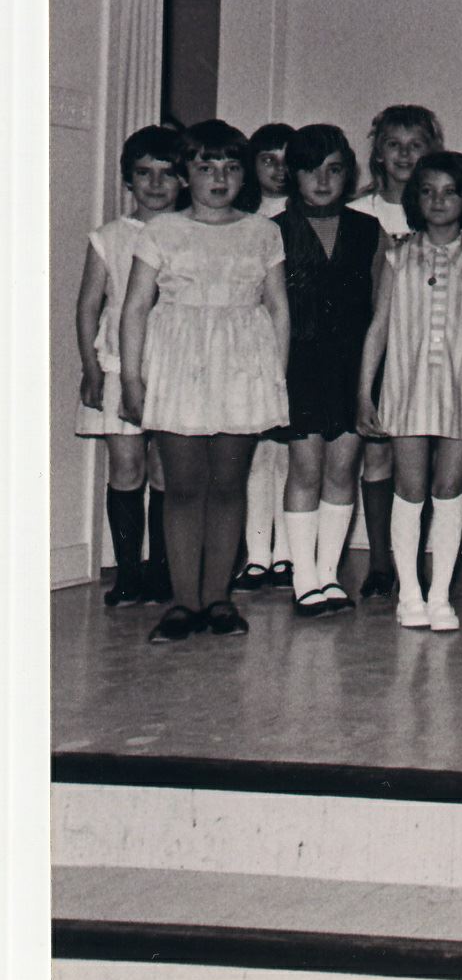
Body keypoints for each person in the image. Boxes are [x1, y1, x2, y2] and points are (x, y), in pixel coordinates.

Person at [117, 119, 290, 643]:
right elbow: (134, 308)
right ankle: (183, 601)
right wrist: (131, 377)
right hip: (179, 367)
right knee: (184, 486)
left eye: (232, 167)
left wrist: (273, 378)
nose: (219, 178)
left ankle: (218, 598)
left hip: (241, 368)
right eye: (205, 166)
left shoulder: (264, 232)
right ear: (185, 174)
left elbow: (279, 308)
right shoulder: (162, 231)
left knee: (229, 484)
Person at [355, 154, 462, 632]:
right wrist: (365, 392)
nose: (439, 201)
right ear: (415, 199)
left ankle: (441, 595)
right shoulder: (397, 257)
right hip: (407, 386)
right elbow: (377, 328)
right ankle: (410, 594)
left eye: (449, 192)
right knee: (410, 491)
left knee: (449, 491)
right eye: (428, 191)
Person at [273, 125, 381, 619]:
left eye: (334, 169)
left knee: (342, 471)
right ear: (292, 174)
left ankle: (329, 574)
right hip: (297, 365)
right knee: (305, 469)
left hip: (352, 367)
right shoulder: (272, 230)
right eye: (310, 169)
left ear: (348, 174)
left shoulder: (367, 230)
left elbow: (380, 308)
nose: (322, 180)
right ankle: (302, 579)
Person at [74, 125, 182, 606]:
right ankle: (127, 573)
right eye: (144, 173)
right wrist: (92, 369)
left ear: (183, 180)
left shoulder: (188, 234)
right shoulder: (109, 237)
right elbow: (88, 307)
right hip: (120, 365)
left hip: (173, 365)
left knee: (165, 469)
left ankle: (161, 572)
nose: (156, 184)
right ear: (128, 179)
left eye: (167, 174)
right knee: (126, 464)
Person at [350, 104, 443, 600]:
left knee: (424, 462)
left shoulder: (441, 210)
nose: (405, 154)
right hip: (379, 345)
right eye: (394, 144)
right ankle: (382, 563)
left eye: (416, 145)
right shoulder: (361, 214)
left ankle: (417, 559)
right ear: (378, 154)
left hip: (431, 350)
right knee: (378, 454)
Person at [236, 121, 299, 590]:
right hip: (250, 345)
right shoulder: (241, 220)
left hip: (299, 345)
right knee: (257, 455)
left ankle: (288, 554)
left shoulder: (306, 215)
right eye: (267, 159)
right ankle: (257, 553)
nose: (278, 170)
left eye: (286, 159)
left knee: (292, 455)